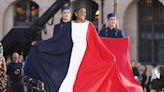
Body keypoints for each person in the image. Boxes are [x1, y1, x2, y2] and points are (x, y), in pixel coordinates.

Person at [24, 7, 142, 92]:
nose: (83, 14)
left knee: (88, 81)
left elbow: (98, 43)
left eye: (85, 12)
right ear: (75, 13)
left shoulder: (89, 25)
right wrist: (40, 45)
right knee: (68, 83)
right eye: (81, 12)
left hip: (85, 57)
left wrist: (109, 56)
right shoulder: (69, 26)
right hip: (71, 58)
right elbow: (57, 41)